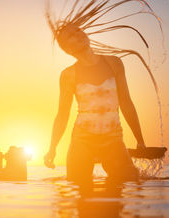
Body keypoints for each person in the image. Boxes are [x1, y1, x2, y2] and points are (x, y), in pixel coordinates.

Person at [43, 23, 146, 190]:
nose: (79, 34)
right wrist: (52, 148)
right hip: (82, 140)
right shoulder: (68, 75)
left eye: (78, 30)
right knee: (78, 188)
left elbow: (126, 102)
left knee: (128, 182)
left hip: (113, 137)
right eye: (71, 36)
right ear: (68, 49)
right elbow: (62, 115)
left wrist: (140, 140)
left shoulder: (114, 63)